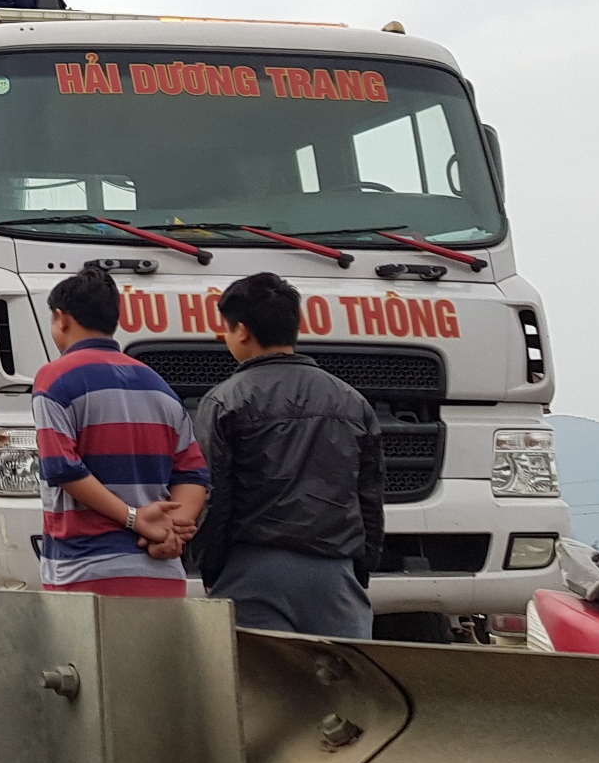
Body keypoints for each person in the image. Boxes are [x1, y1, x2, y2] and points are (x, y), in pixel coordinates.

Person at [188, 272, 384, 637]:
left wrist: (210, 568)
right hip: (336, 575)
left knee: (262, 689)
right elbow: (369, 496)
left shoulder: (224, 401)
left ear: (242, 331)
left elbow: (214, 496)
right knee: (344, 689)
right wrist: (361, 568)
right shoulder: (352, 401)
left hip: (252, 574)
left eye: (226, 329)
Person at [33, 265, 210, 595]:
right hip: (163, 574)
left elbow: (63, 469)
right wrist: (168, 533)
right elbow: (193, 475)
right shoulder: (157, 385)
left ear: (61, 318)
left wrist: (135, 519)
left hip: (85, 573)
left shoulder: (54, 378)